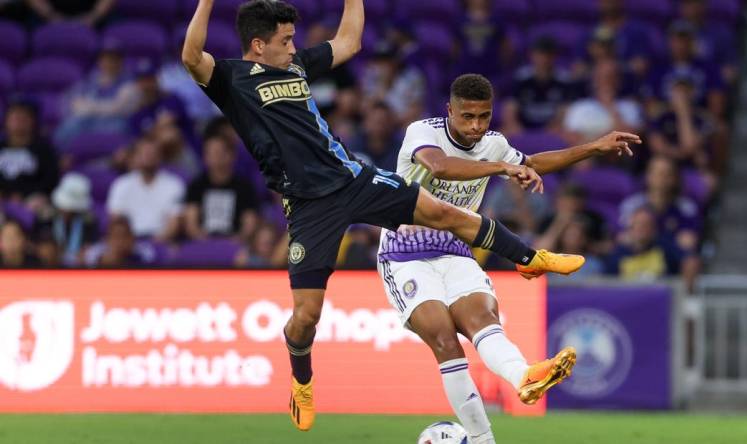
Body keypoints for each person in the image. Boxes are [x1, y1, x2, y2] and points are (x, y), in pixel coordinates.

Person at [182, 0, 612, 431]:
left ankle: (530, 259)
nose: (295, 48)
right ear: (258, 45)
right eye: (286, 40)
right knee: (306, 317)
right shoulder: (231, 78)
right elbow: (190, 56)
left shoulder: (297, 68)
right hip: (309, 205)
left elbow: (348, 42)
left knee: (442, 212)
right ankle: (302, 380)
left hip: (351, 177)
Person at [377, 73, 641, 444]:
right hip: (405, 252)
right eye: (467, 117)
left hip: (456, 248)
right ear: (449, 111)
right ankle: (484, 440)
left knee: (483, 321)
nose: (476, 126)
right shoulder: (424, 132)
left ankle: (524, 376)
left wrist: (592, 148)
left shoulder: (494, 143)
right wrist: (501, 166)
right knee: (445, 340)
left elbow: (532, 162)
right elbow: (440, 166)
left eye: (484, 117)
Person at [106, 136, 184, 240]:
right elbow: (116, 219)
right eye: (144, 153)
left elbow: (174, 223)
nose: (149, 157)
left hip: (161, 241)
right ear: (136, 157)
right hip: (129, 241)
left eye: (152, 153)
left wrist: (156, 243)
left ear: (160, 156)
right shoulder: (121, 184)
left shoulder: (174, 185)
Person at [183, 135, 258, 241]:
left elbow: (249, 223)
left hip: (234, 243)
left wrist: (237, 239)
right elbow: (191, 223)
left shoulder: (244, 187)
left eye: (218, 152)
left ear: (231, 155)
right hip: (203, 242)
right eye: (210, 153)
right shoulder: (196, 185)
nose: (214, 157)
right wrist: (202, 239)